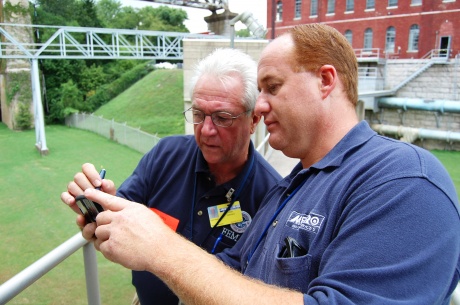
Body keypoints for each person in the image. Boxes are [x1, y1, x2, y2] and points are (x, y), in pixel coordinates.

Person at [69, 24, 460, 304]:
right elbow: (227, 273)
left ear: (326, 81)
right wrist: (120, 223)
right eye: (199, 114)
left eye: (273, 86)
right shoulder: (287, 190)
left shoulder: (405, 180)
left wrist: (162, 249)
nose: (258, 106)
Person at [61, 48, 282, 305]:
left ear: (254, 120)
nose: (207, 130)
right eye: (199, 114)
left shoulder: (273, 196)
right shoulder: (166, 155)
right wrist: (102, 207)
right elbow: (121, 218)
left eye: (222, 118)